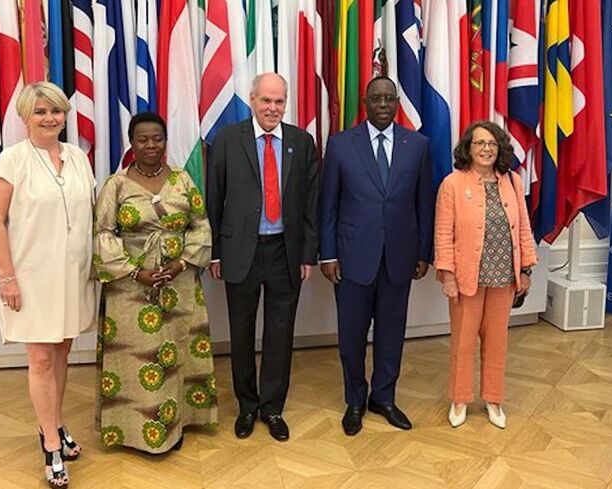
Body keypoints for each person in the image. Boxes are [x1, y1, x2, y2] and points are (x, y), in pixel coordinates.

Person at [0, 82, 97, 488]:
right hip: (30, 277)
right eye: (40, 112)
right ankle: (50, 443)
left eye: (56, 111)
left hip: (73, 274)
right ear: (25, 117)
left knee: (63, 350)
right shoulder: (11, 161)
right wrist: (8, 277)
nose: (49, 118)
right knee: (41, 359)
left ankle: (56, 421)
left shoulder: (78, 157)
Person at [93, 112, 216, 454]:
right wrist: (136, 272)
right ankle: (134, 431)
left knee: (176, 352)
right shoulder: (115, 185)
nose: (151, 145)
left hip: (179, 282)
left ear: (165, 140)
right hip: (129, 288)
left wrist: (179, 264)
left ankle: (177, 425)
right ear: (132, 143)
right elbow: (103, 234)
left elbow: (200, 225)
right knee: (137, 359)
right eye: (143, 139)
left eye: (157, 138)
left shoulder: (182, 180)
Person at [318, 76, 434, 436]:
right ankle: (355, 398)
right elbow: (329, 205)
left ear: (397, 103)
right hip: (352, 258)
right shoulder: (340, 145)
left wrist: (422, 252)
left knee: (391, 333)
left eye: (389, 99)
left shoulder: (418, 145)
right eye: (376, 99)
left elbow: (424, 203)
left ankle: (384, 397)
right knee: (351, 335)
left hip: (400, 257)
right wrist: (328, 254)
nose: (383, 104)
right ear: (365, 104)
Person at [207, 73, 319, 442]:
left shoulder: (302, 143)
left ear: (286, 103)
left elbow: (309, 204)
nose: (273, 108)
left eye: (279, 101)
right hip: (241, 252)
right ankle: (246, 405)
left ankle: (272, 408)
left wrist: (307, 254)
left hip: (285, 252)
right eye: (266, 101)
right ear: (252, 100)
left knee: (280, 333)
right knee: (240, 333)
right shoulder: (226, 140)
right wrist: (216, 253)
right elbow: (214, 200)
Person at [434, 120, 538, 430]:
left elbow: (523, 228)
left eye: (492, 144)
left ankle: (493, 399)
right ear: (468, 148)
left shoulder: (513, 182)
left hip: (504, 278)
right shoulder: (452, 183)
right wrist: (448, 276)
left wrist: (526, 268)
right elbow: (443, 234)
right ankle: (460, 399)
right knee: (463, 342)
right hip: (467, 278)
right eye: (479, 143)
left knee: (497, 342)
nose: (486, 149)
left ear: (500, 149)